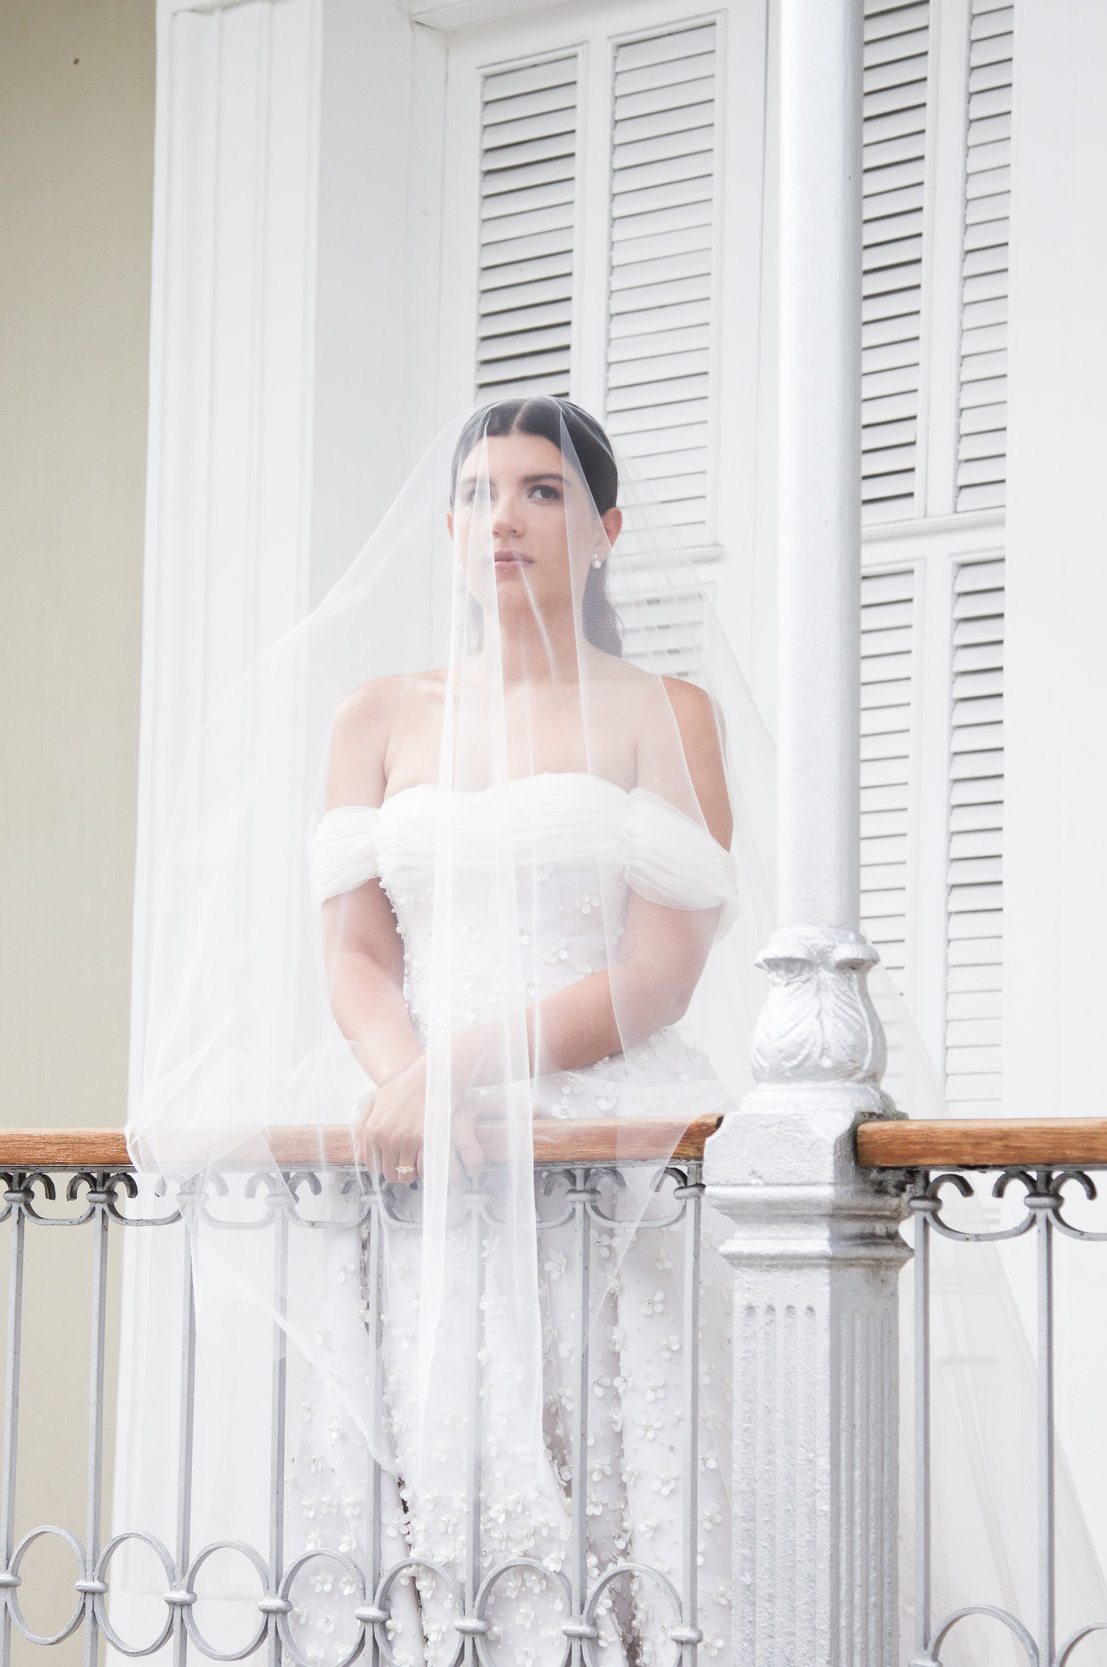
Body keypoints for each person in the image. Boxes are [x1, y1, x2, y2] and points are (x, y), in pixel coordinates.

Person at [128, 399, 745, 1666]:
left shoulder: (663, 711)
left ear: (605, 528)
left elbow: (660, 970)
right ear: (447, 528)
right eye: (477, 491)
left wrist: (460, 1064)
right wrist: (411, 1086)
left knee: (613, 1477)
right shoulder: (379, 714)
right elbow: (355, 951)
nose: (503, 516)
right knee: (429, 1472)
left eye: (541, 491)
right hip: (416, 1158)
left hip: (602, 1145)